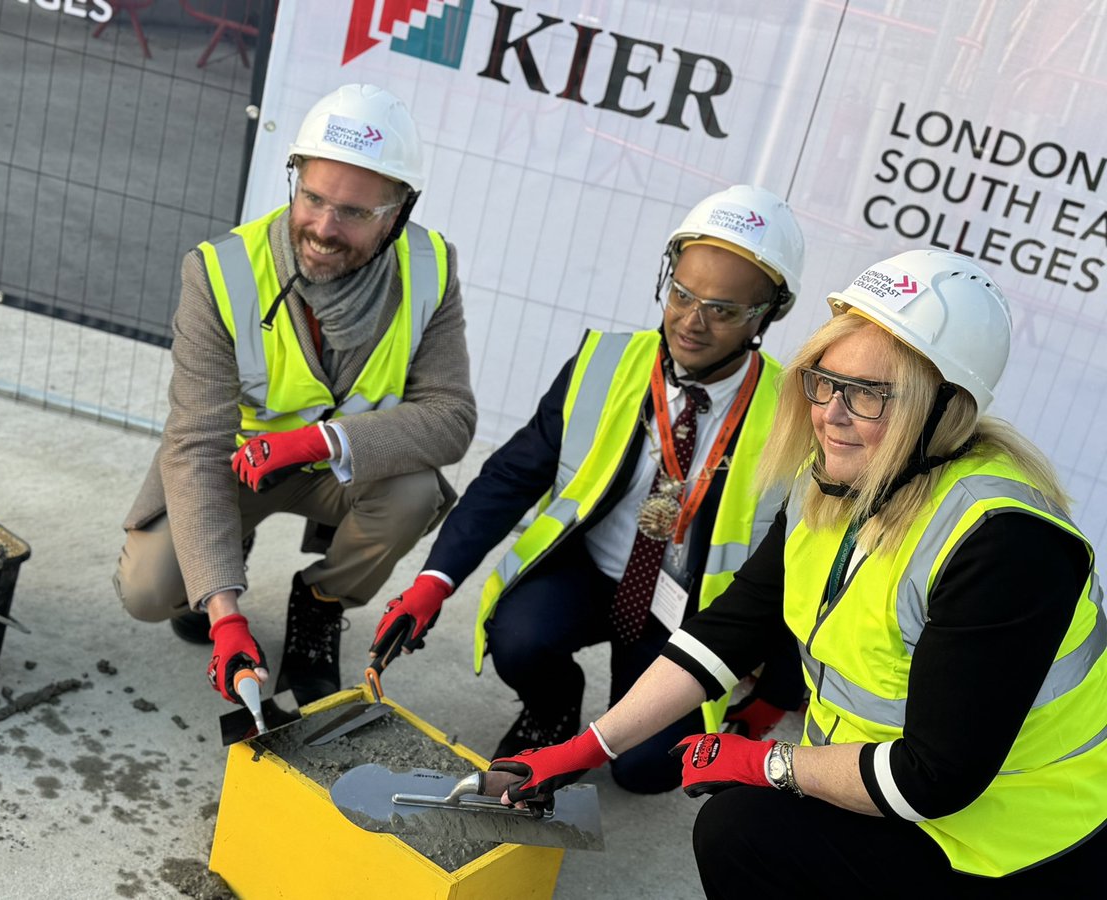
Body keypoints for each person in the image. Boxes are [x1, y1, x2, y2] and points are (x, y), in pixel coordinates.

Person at [489, 249, 1107, 896]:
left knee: (740, 829)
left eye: (867, 394)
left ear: (944, 409)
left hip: (1011, 846)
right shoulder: (848, 482)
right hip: (900, 792)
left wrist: (770, 763)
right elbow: (727, 632)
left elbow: (934, 779)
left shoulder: (1005, 545)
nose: (830, 414)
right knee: (740, 827)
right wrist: (584, 750)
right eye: (825, 381)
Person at [370, 186, 808, 793]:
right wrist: (433, 581)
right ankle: (553, 706)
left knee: (646, 772)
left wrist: (778, 692)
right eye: (680, 293)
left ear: (767, 315)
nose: (690, 321)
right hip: (590, 574)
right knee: (518, 636)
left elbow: (806, 563)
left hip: (688, 615)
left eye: (723, 309)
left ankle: (634, 723)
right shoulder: (604, 363)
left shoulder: (798, 419)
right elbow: (512, 474)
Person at [113, 83, 475, 709]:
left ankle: (320, 603)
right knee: (148, 591)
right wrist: (225, 614)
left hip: (338, 468)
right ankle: (226, 550)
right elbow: (196, 442)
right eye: (313, 198)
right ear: (295, 178)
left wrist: (319, 441)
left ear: (399, 212)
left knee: (414, 492)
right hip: (236, 466)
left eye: (355, 213)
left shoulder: (431, 267)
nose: (324, 229)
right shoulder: (219, 271)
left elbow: (451, 418)